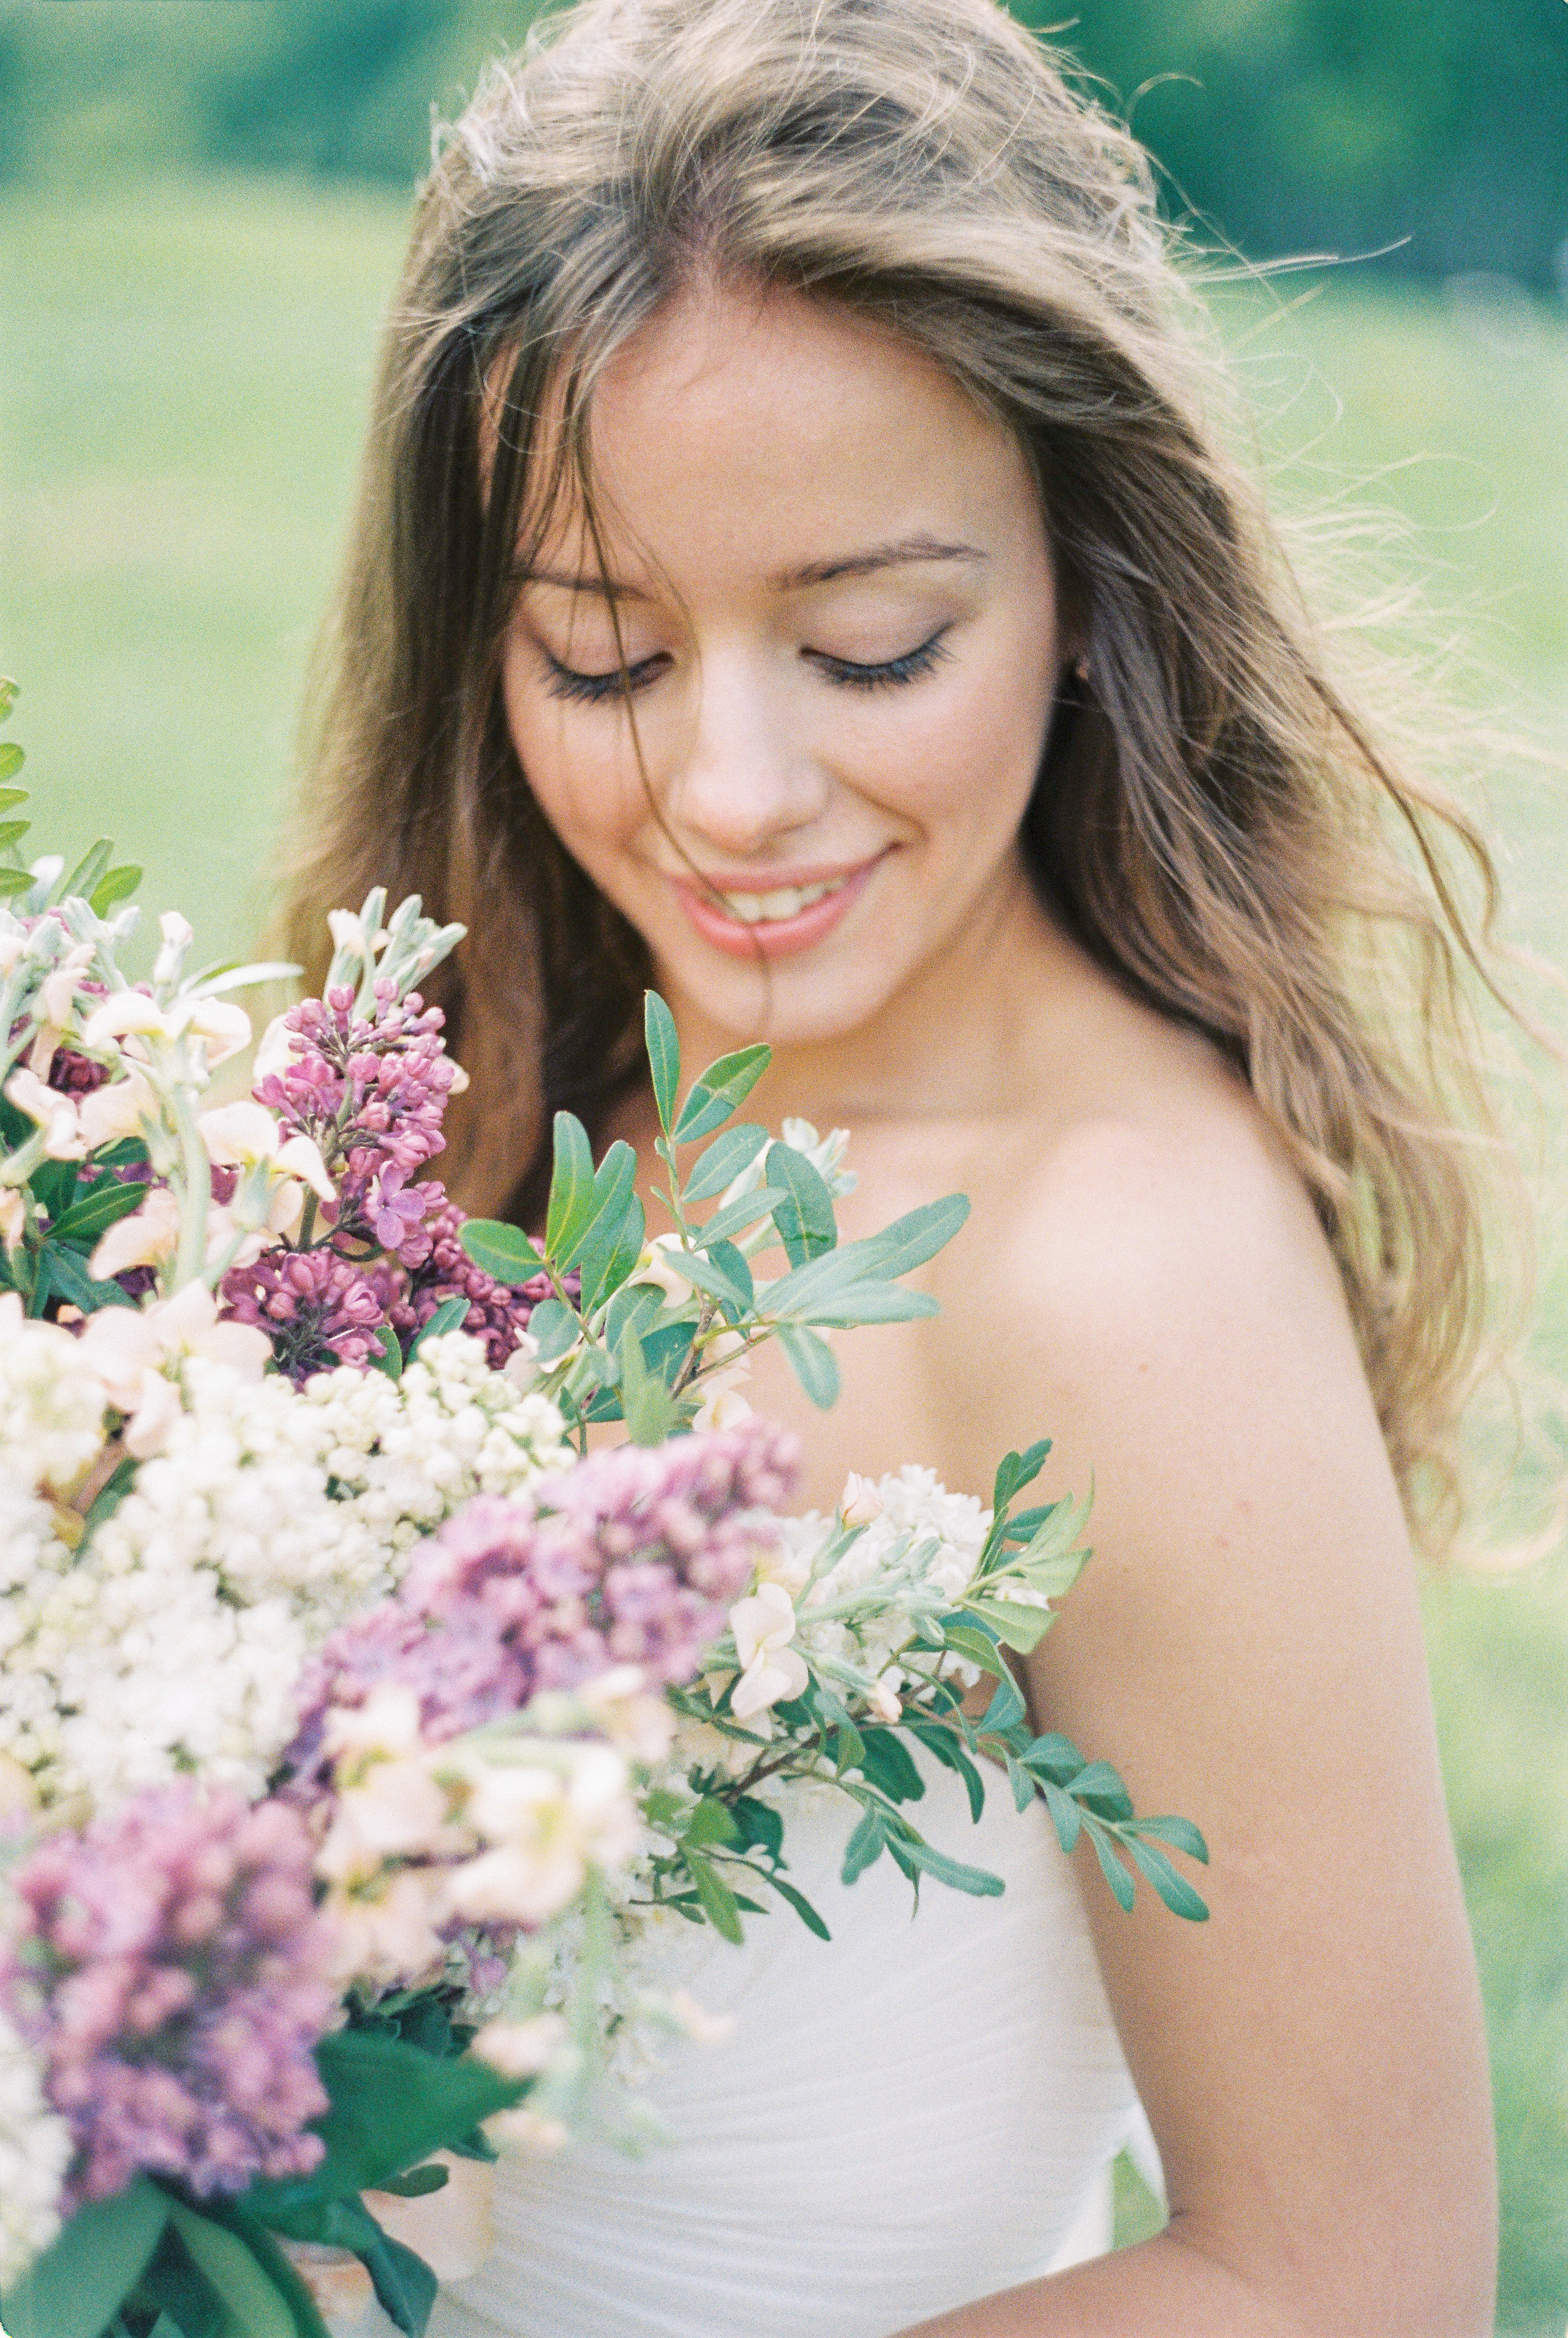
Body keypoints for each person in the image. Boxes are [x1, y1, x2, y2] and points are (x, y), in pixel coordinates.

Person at [284, 0, 1516, 2327]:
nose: (730, 794)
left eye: (872, 647)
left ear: (1080, 588)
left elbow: (1347, 2281)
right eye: (608, 657)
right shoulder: (508, 1086)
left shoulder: (1121, 1270)